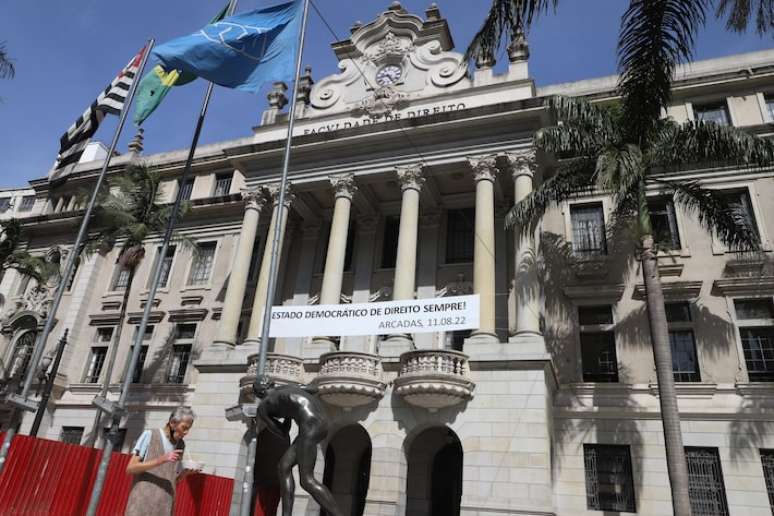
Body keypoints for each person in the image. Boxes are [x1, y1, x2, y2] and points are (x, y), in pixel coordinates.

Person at [254, 376, 344, 516]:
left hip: (309, 425)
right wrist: (292, 399)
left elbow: (283, 432)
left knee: (307, 480)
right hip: (321, 422)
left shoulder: (263, 408)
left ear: (258, 393)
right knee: (283, 466)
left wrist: (287, 416)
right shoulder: (286, 387)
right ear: (271, 384)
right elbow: (314, 389)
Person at [124, 406, 197, 516]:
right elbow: (130, 468)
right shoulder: (150, 435)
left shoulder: (181, 445)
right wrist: (160, 460)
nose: (186, 432)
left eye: (189, 429)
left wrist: (185, 474)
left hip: (165, 507)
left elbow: (172, 480)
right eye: (184, 427)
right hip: (141, 505)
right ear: (173, 423)